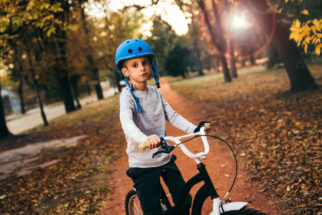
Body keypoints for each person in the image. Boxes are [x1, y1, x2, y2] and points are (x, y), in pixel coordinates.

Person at [116, 39, 210, 215]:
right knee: (152, 211)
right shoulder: (127, 96)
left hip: (163, 157)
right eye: (135, 65)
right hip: (142, 163)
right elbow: (127, 123)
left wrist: (195, 129)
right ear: (125, 71)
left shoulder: (155, 93)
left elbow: (173, 116)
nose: (142, 68)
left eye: (145, 63)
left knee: (184, 200)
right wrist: (144, 139)